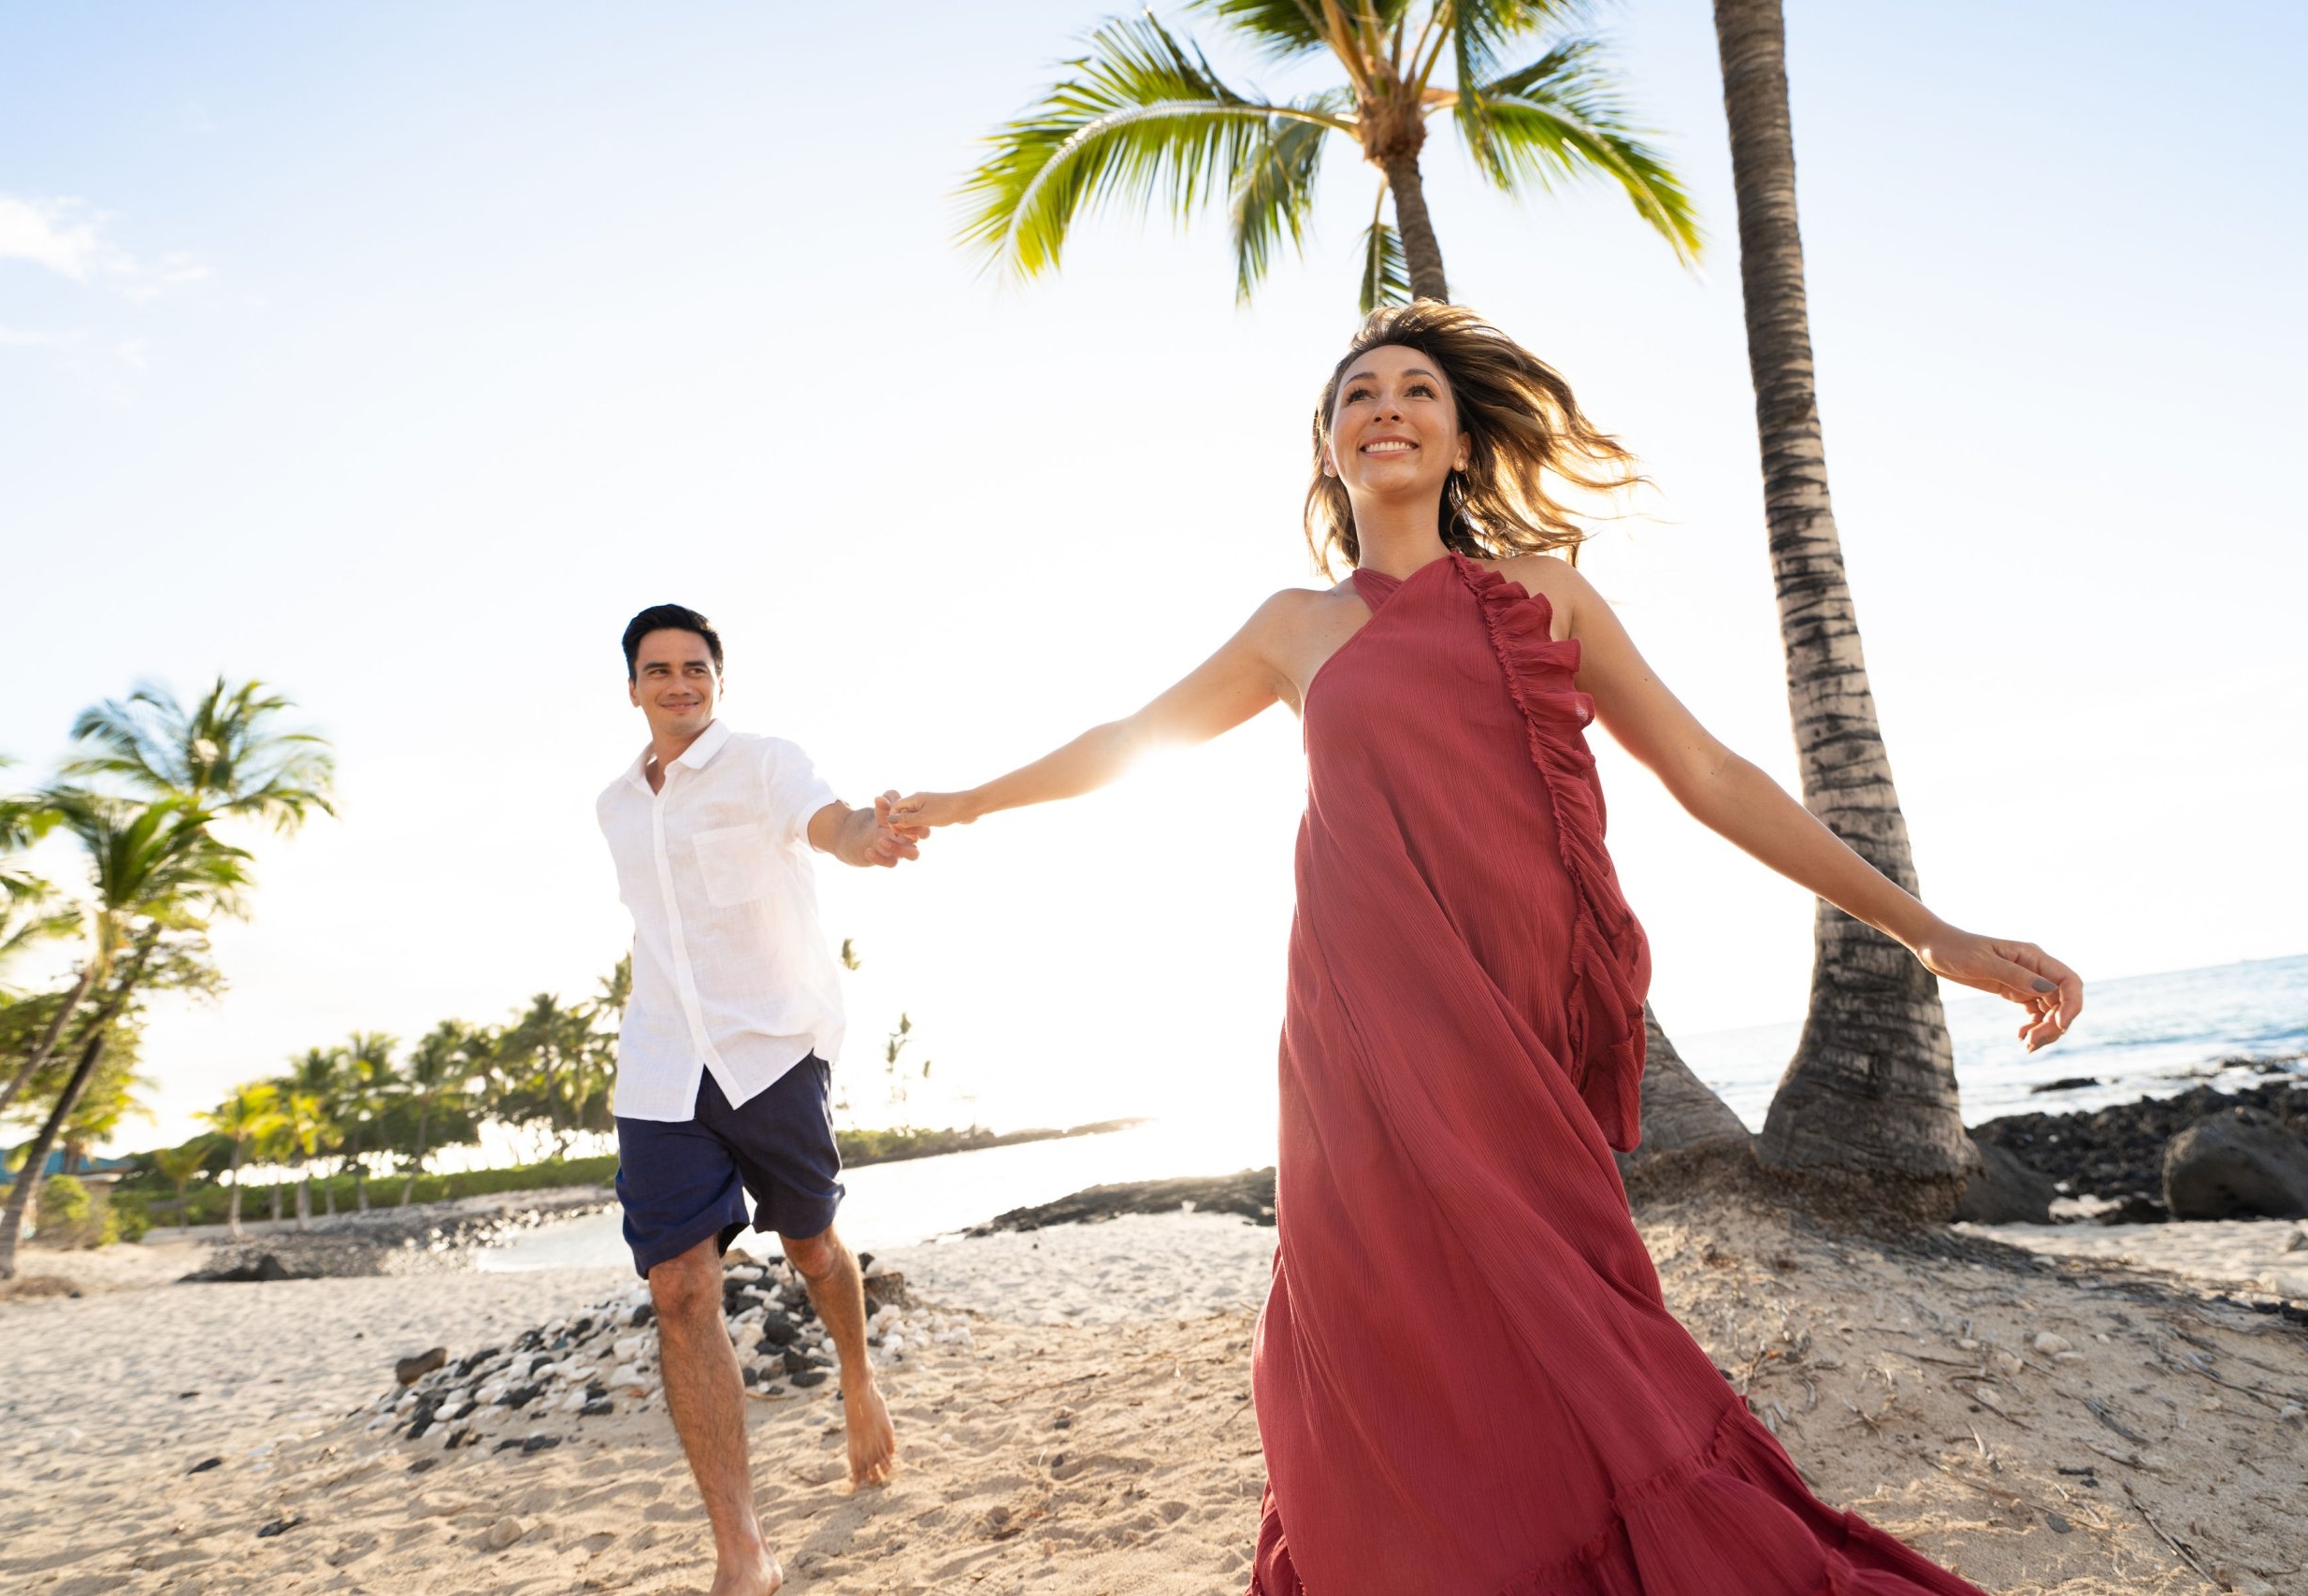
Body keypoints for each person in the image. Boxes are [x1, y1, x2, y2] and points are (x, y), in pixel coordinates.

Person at [889, 304, 2084, 1594]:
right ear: (1331, 448)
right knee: (1372, 1319)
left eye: (1416, 391)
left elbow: (1710, 772)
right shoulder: (1294, 628)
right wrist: (954, 804)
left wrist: (1931, 930)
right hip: (1357, 1030)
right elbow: (1128, 739)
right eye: (1359, 395)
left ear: (1461, 442)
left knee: (1558, 1312)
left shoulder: (1548, 597)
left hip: (1509, 1026)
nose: (1387, 407)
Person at [597, 602, 914, 1596]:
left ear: (718, 680)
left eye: (696, 667)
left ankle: (857, 1381)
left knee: (813, 1249)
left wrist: (868, 836)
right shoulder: (614, 805)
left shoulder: (766, 764)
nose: (679, 683)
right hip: (659, 1066)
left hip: (772, 1050)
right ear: (633, 686)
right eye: (660, 669)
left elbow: (831, 823)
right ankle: (742, 1550)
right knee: (678, 1288)